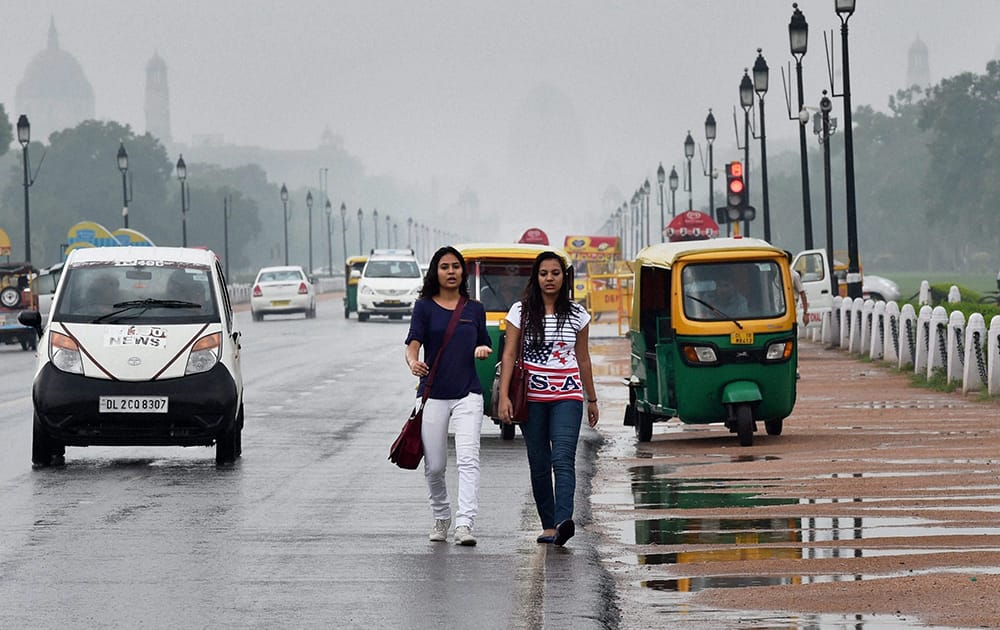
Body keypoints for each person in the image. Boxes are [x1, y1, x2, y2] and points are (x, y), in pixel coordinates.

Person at [496, 251, 599, 547]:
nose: (550, 278)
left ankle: (564, 520)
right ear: (536, 277)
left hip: (568, 397)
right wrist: (504, 397)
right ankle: (548, 524)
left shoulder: (578, 314)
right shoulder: (520, 312)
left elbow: (584, 359)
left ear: (564, 278)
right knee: (539, 461)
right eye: (544, 273)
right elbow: (510, 354)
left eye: (555, 273)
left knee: (563, 457)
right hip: (532, 399)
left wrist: (591, 399)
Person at [404, 246, 492, 546]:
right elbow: (413, 342)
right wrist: (413, 362)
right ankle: (442, 516)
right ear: (435, 272)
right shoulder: (424, 307)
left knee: (468, 460)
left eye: (456, 266)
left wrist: (482, 350)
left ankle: (465, 524)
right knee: (436, 465)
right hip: (432, 394)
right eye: (445, 266)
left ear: (462, 272)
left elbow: (485, 343)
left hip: (468, 393)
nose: (451, 271)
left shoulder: (474, 309)